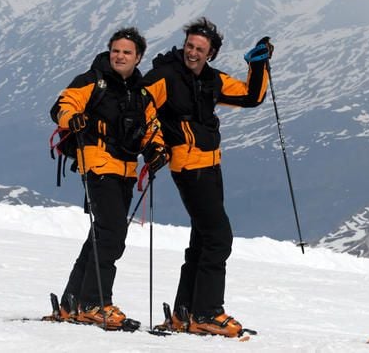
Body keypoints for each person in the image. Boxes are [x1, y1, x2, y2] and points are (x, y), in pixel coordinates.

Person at [145, 17, 273, 337]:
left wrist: (257, 65)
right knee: (218, 238)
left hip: (211, 165)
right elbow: (139, 106)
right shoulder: (165, 76)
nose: (193, 52)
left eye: (200, 49)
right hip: (188, 167)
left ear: (210, 53)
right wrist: (155, 146)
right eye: (190, 46)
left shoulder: (211, 79)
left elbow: (250, 96)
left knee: (203, 239)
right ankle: (207, 313)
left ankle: (184, 314)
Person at [49, 27, 168, 329]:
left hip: (126, 170)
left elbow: (152, 127)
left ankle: (71, 304)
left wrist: (156, 150)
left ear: (138, 57)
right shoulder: (92, 80)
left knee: (101, 236)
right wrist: (71, 118)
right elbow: (63, 105)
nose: (120, 56)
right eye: (116, 50)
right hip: (98, 165)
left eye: (127, 52)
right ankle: (94, 303)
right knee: (112, 234)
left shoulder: (141, 92)